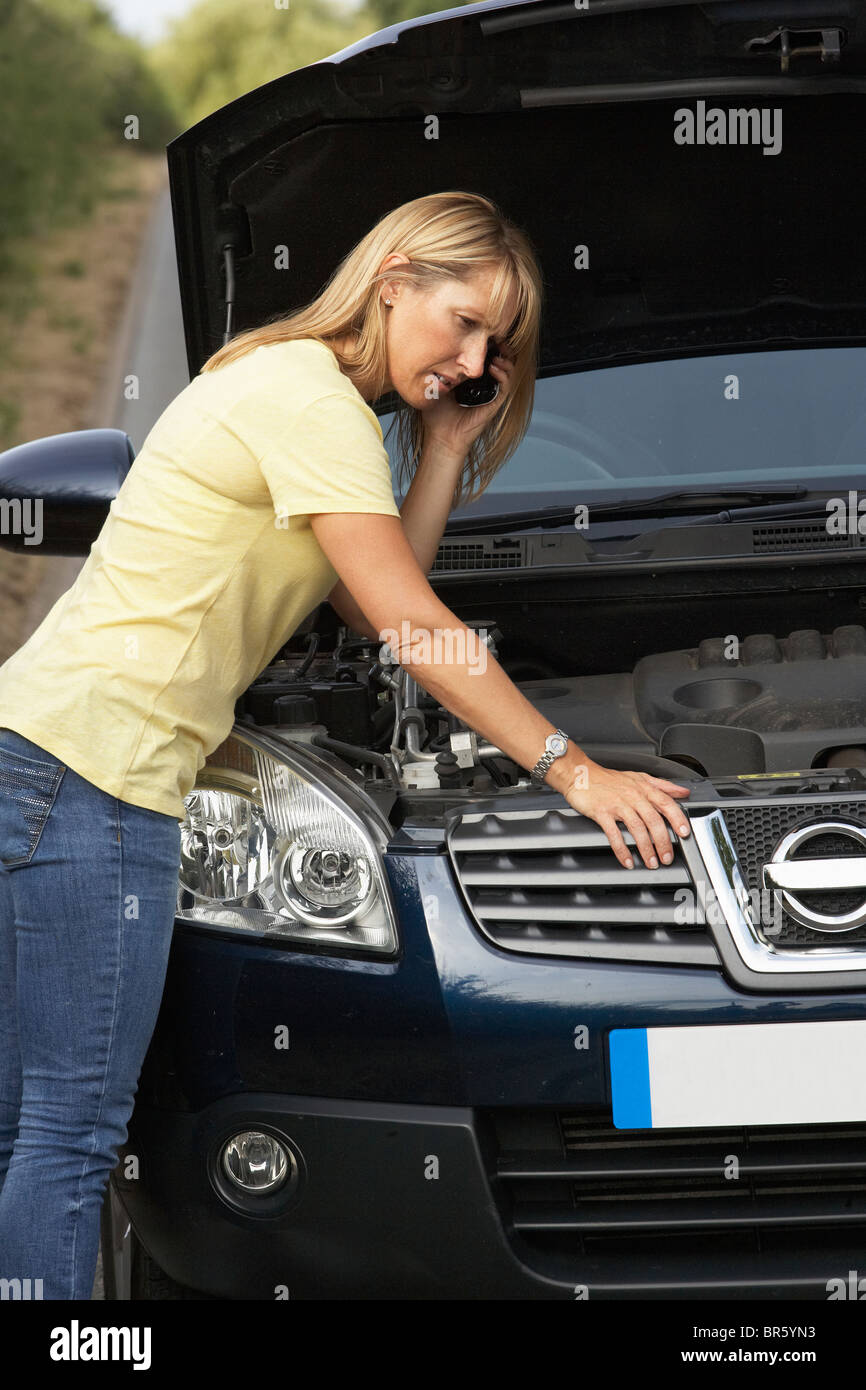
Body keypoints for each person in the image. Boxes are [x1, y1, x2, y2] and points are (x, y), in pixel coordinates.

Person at [0, 189, 690, 1299]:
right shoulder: (304, 398)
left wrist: (442, 445)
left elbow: (376, 609)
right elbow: (417, 630)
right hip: (93, 776)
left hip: (38, 755)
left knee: (23, 1131)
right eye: (463, 321)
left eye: (494, 344)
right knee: (73, 1137)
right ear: (395, 278)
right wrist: (570, 767)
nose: (472, 358)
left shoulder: (292, 388)